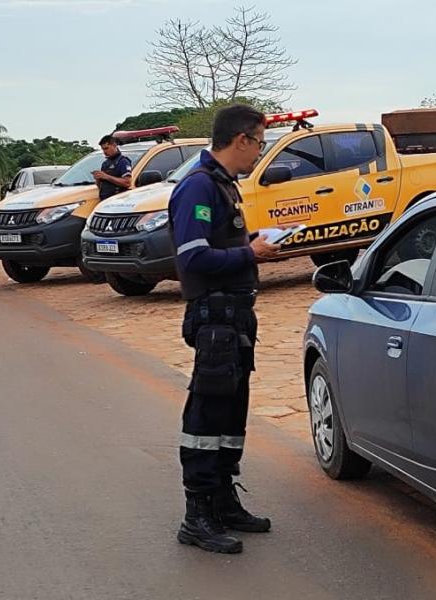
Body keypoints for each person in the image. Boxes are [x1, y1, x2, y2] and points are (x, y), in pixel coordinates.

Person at [168, 104, 281, 554]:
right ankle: (196, 515)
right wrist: (251, 254)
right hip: (214, 318)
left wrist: (254, 250)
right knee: (206, 417)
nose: (260, 152)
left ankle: (222, 499)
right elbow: (193, 258)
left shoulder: (222, 185)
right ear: (242, 140)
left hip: (234, 319)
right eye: (260, 142)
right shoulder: (198, 187)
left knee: (231, 415)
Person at [92, 135, 132, 201]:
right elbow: (101, 186)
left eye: (106, 148)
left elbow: (127, 182)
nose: (104, 152)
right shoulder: (105, 164)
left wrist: (106, 176)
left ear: (114, 145)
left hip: (118, 201)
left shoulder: (123, 161)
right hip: (104, 200)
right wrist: (98, 178)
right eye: (103, 149)